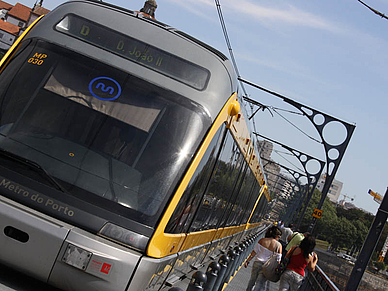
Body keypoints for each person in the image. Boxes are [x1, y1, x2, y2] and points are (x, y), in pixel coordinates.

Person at [244, 226, 283, 291]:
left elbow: (254, 252)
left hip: (257, 263)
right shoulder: (279, 245)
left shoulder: (262, 240)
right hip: (267, 267)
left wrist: (248, 261)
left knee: (252, 280)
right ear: (277, 236)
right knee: (260, 283)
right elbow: (278, 260)